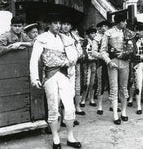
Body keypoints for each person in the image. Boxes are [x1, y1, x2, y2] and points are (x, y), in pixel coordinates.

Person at [30, 14, 82, 149]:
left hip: (64, 75)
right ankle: (56, 138)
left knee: (69, 106)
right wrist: (35, 77)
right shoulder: (41, 39)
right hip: (50, 75)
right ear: (49, 24)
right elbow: (34, 59)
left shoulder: (65, 39)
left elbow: (74, 57)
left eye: (59, 23)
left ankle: (70, 137)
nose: (58, 26)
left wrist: (70, 62)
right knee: (53, 107)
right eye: (55, 23)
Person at [100, 13, 135, 125]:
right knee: (114, 88)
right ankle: (115, 114)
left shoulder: (128, 32)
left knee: (124, 88)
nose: (125, 23)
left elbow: (133, 49)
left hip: (125, 62)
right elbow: (103, 50)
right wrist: (108, 61)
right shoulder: (108, 32)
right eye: (124, 21)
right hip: (113, 62)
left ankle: (123, 112)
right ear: (119, 21)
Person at [60, 21, 85, 116]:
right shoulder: (59, 36)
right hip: (64, 66)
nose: (66, 26)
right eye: (64, 24)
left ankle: (75, 109)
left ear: (71, 26)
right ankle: (64, 115)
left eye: (68, 24)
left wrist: (78, 55)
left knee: (76, 87)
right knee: (64, 90)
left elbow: (79, 48)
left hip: (76, 64)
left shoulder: (74, 36)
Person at [94, 20, 111, 115]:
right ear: (99, 28)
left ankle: (113, 104)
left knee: (112, 83)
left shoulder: (110, 36)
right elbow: (94, 52)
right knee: (100, 83)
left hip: (110, 62)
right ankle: (100, 106)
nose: (105, 28)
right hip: (101, 63)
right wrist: (104, 56)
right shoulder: (97, 38)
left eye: (106, 26)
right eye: (103, 26)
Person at [80, 27, 99, 108]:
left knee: (93, 82)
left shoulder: (96, 42)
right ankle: (83, 99)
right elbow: (83, 51)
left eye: (94, 33)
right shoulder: (85, 41)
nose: (93, 35)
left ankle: (91, 99)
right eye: (91, 33)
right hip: (87, 63)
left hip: (94, 62)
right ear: (88, 34)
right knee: (86, 82)